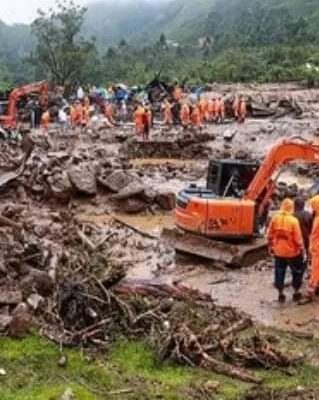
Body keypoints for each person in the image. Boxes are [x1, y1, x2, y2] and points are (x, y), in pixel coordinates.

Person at [267, 198, 305, 303]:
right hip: (293, 253)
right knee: (297, 272)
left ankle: (280, 293)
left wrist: (271, 246)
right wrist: (302, 249)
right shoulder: (293, 221)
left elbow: (269, 234)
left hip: (278, 252)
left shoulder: (275, 218)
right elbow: (298, 239)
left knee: (279, 272)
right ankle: (296, 292)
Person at [302, 195, 319, 302]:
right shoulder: (316, 217)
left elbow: (313, 236)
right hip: (315, 248)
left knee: (315, 270)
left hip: (317, 250)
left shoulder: (318, 220)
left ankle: (311, 291)